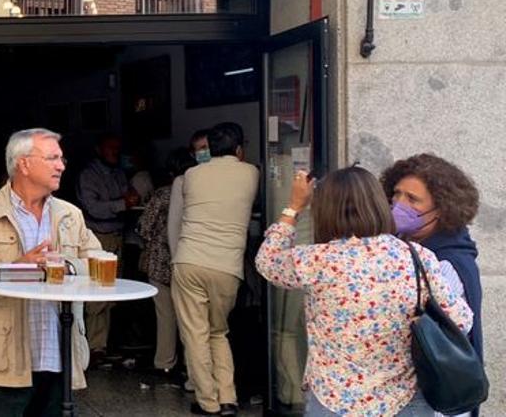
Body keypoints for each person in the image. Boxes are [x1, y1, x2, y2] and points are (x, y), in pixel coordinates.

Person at [256, 167, 472, 417]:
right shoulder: (416, 257)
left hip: (333, 400)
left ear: (325, 211)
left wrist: (293, 207)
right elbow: (461, 321)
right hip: (404, 400)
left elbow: (267, 261)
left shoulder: (316, 260)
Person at [0, 128, 102, 417]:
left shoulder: (71, 215)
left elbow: (97, 259)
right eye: (52, 158)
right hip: (6, 357)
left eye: (61, 158)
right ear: (24, 163)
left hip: (60, 353)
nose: (62, 165)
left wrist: (67, 266)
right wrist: (15, 267)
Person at [381, 154, 482, 416]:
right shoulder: (396, 244)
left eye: (412, 199)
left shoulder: (447, 263)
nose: (399, 204)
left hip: (433, 395)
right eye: (397, 193)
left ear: (441, 209)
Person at [170, 122, 259, 416]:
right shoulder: (251, 173)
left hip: (190, 260)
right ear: (239, 149)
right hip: (227, 267)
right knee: (219, 332)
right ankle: (228, 398)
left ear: (208, 149)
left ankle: (207, 401)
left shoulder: (192, 175)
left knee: (195, 334)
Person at [138, 147, 197, 382]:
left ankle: (164, 363)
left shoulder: (163, 194)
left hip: (161, 262)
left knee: (165, 316)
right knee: (191, 317)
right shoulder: (197, 192)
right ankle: (190, 365)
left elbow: (144, 227)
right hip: (189, 260)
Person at [77, 133, 131, 365]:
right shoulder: (88, 175)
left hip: (117, 236)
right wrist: (122, 203)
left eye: (118, 149)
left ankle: (102, 345)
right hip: (97, 238)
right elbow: (93, 208)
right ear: (99, 149)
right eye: (111, 148)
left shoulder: (119, 173)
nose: (115, 153)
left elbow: (126, 196)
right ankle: (93, 347)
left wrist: (130, 199)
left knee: (110, 294)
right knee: (96, 294)